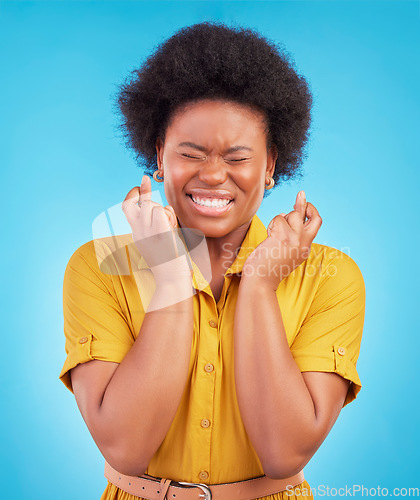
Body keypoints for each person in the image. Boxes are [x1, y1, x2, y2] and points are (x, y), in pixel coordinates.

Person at [59, 22, 365, 500]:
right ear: (160, 156)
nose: (213, 175)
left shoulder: (331, 278)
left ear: (269, 168)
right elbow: (124, 447)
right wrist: (169, 274)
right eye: (191, 153)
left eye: (237, 158)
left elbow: (284, 454)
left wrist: (261, 285)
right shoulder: (98, 268)